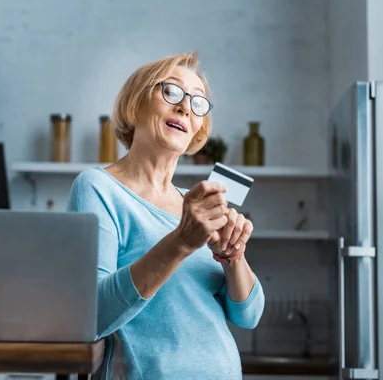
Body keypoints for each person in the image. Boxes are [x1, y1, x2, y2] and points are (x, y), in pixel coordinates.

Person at [67, 52, 265, 380]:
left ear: (199, 129)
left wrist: (233, 257)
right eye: (172, 92)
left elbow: (249, 315)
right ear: (135, 102)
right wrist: (181, 242)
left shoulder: (196, 205)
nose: (186, 107)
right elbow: (91, 315)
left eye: (198, 102)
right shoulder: (98, 188)